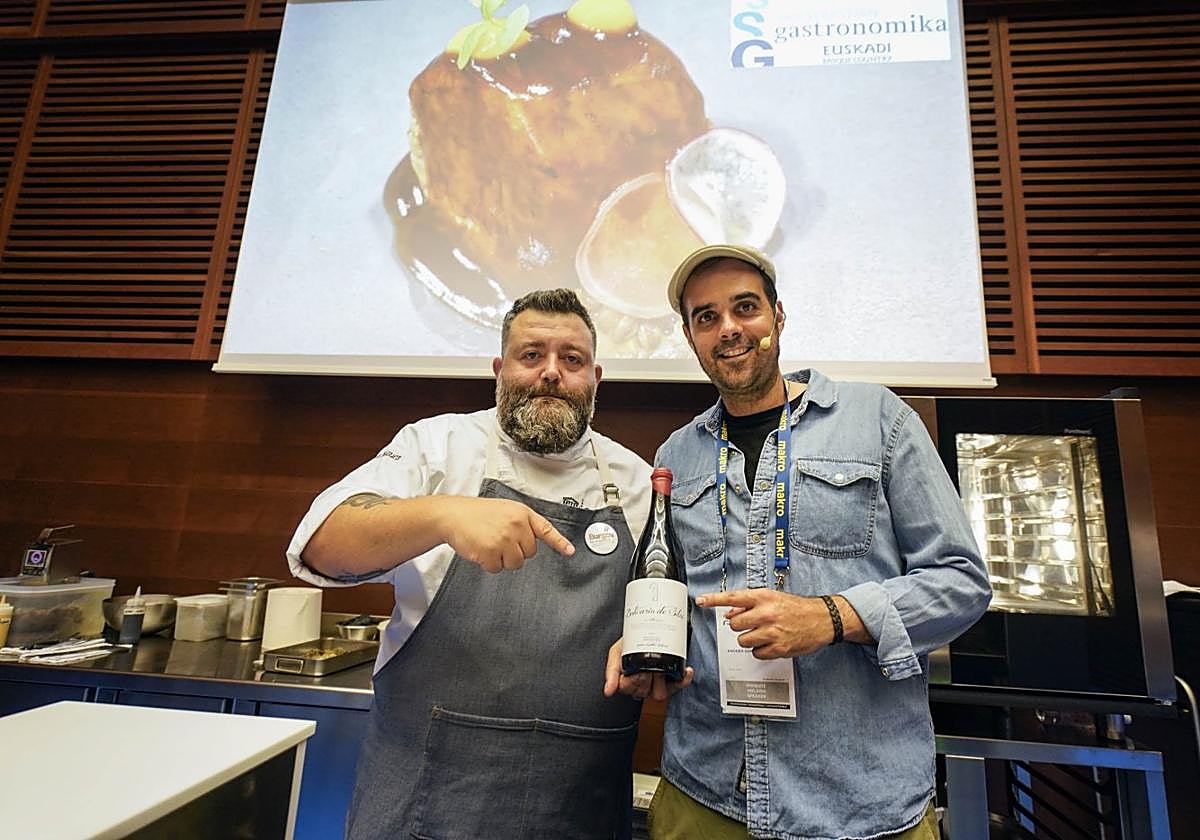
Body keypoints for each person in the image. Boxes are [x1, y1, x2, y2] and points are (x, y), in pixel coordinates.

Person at [605, 244, 992, 840]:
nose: (728, 329)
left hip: (860, 802)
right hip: (705, 795)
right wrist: (643, 651)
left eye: (745, 308)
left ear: (778, 317)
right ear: (690, 337)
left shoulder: (878, 420)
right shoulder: (675, 455)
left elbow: (961, 581)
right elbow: (679, 601)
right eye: (706, 317)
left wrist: (831, 616)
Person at [288, 289, 652, 840]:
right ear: (499, 369)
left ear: (595, 377)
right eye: (532, 356)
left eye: (571, 360)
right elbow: (322, 545)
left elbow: (672, 608)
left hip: (580, 803)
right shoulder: (437, 447)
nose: (551, 373)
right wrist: (443, 515)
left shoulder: (637, 483)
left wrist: (648, 641)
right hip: (425, 799)